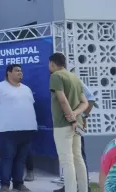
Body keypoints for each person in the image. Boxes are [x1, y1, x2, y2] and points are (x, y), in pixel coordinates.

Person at [0, 64, 37, 192]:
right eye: (17, 70)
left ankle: (18, 183)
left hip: (27, 129)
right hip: (8, 130)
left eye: (21, 71)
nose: (20, 73)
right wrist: (1, 112)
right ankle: (4, 185)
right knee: (7, 158)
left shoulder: (26, 89)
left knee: (21, 159)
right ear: (9, 72)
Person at [48, 53, 89, 192]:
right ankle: (83, 189)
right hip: (76, 124)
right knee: (78, 159)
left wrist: (70, 117)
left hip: (63, 125)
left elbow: (62, 100)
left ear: (52, 63)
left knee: (67, 161)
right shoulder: (75, 78)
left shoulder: (55, 76)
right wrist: (75, 115)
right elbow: (85, 102)